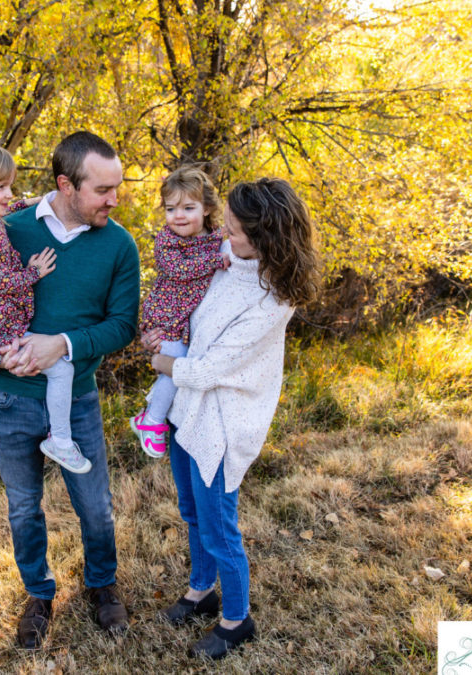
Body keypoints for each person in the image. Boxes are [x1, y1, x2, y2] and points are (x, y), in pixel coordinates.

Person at [143, 177, 320, 660]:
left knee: (221, 527)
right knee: (191, 512)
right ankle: (202, 591)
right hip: (186, 410)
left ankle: (236, 619)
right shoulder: (224, 262)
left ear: (265, 238)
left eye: (235, 230)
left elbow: (211, 368)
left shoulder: (273, 301)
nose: (224, 233)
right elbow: (181, 303)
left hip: (222, 425)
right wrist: (159, 331)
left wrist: (163, 363)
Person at [0, 132, 140, 649]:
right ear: (65, 185)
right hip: (9, 398)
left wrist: (64, 345)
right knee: (23, 506)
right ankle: (38, 594)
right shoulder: (10, 226)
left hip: (76, 399)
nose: (113, 199)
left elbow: (122, 325)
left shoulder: (119, 245)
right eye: (102, 190)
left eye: (117, 187)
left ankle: (102, 584)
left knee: (94, 505)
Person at [0, 138, 91, 474]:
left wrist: (38, 200)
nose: (9, 194)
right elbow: (2, 282)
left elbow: (10, 208)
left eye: (9, 185)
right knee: (62, 370)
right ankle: (61, 440)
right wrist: (33, 272)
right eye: (1, 187)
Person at [130, 166, 226, 459]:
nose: (178, 216)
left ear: (207, 208)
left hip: (186, 319)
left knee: (180, 368)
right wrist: (214, 261)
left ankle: (151, 414)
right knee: (176, 368)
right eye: (171, 209)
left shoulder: (218, 238)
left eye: (188, 207)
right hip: (166, 317)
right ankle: (152, 421)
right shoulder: (167, 240)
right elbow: (177, 269)